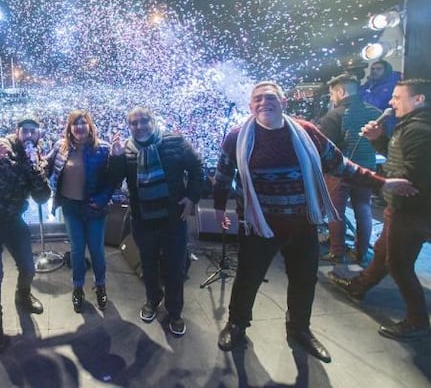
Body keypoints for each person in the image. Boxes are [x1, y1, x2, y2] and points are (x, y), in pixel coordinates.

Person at [213, 81, 415, 363]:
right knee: (247, 279)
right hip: (259, 227)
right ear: (250, 106)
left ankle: (299, 329)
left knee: (303, 281)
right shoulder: (237, 137)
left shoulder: (306, 132)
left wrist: (383, 183)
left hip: (302, 224)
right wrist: (220, 210)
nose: (263, 103)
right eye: (257, 99)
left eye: (270, 98)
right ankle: (237, 324)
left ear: (283, 103)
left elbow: (341, 165)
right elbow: (222, 176)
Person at [328, 78, 431, 341]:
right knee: (383, 250)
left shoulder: (419, 130)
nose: (391, 102)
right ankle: (359, 286)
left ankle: (417, 319)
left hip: (409, 210)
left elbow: (412, 174)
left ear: (418, 99)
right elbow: (399, 156)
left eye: (397, 97)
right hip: (401, 207)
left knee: (397, 265)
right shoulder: (409, 126)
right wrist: (378, 140)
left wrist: (378, 179)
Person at [109, 107, 203, 336]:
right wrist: (116, 158)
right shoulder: (127, 150)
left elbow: (197, 168)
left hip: (173, 218)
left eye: (144, 121)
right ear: (129, 126)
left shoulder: (175, 141)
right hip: (142, 219)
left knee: (175, 267)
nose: (139, 126)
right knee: (148, 263)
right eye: (134, 123)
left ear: (153, 121)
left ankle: (175, 311)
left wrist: (192, 198)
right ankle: (152, 300)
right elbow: (113, 181)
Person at [0, 117, 51, 354]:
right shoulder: (2, 146)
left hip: (13, 219)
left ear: (38, 136)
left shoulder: (38, 159)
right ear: (17, 133)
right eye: (24, 131)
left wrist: (34, 167)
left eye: (33, 132)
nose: (28, 135)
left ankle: (23, 295)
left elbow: (42, 197)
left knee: (29, 267)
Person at [45, 110, 114, 313]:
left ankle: (100, 285)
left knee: (96, 250)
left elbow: (112, 180)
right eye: (75, 124)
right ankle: (78, 288)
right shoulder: (60, 146)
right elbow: (46, 166)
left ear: (90, 125)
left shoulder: (103, 148)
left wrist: (101, 200)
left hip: (93, 208)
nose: (79, 127)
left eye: (83, 123)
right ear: (69, 128)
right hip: (70, 208)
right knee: (76, 250)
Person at [318, 73, 382, 264]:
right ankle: (361, 253)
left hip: (341, 171)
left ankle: (337, 252)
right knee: (363, 209)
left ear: (341, 91)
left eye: (332, 94)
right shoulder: (375, 112)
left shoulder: (335, 115)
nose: (332, 98)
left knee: (335, 210)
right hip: (367, 169)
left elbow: (325, 147)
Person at [360, 60, 402, 134]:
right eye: (372, 69)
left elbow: (376, 103)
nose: (375, 71)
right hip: (375, 121)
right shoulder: (371, 82)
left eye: (379, 69)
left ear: (386, 70)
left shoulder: (392, 83)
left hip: (388, 123)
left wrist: (363, 93)